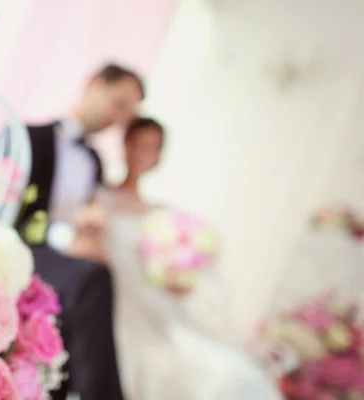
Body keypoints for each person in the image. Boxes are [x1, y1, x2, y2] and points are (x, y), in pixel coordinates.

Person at [67, 118, 280, 400]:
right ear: (126, 146)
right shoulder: (98, 197)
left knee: (224, 373)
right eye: (140, 145)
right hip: (111, 303)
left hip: (154, 307)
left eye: (152, 148)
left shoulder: (162, 214)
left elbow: (175, 274)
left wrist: (178, 278)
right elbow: (78, 253)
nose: (144, 153)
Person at [17, 64, 144, 400]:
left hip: (68, 265)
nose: (117, 119)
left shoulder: (95, 162)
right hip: (25, 252)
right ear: (94, 84)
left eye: (127, 114)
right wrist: (65, 237)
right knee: (95, 279)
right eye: (118, 103)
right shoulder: (28, 137)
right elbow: (7, 214)